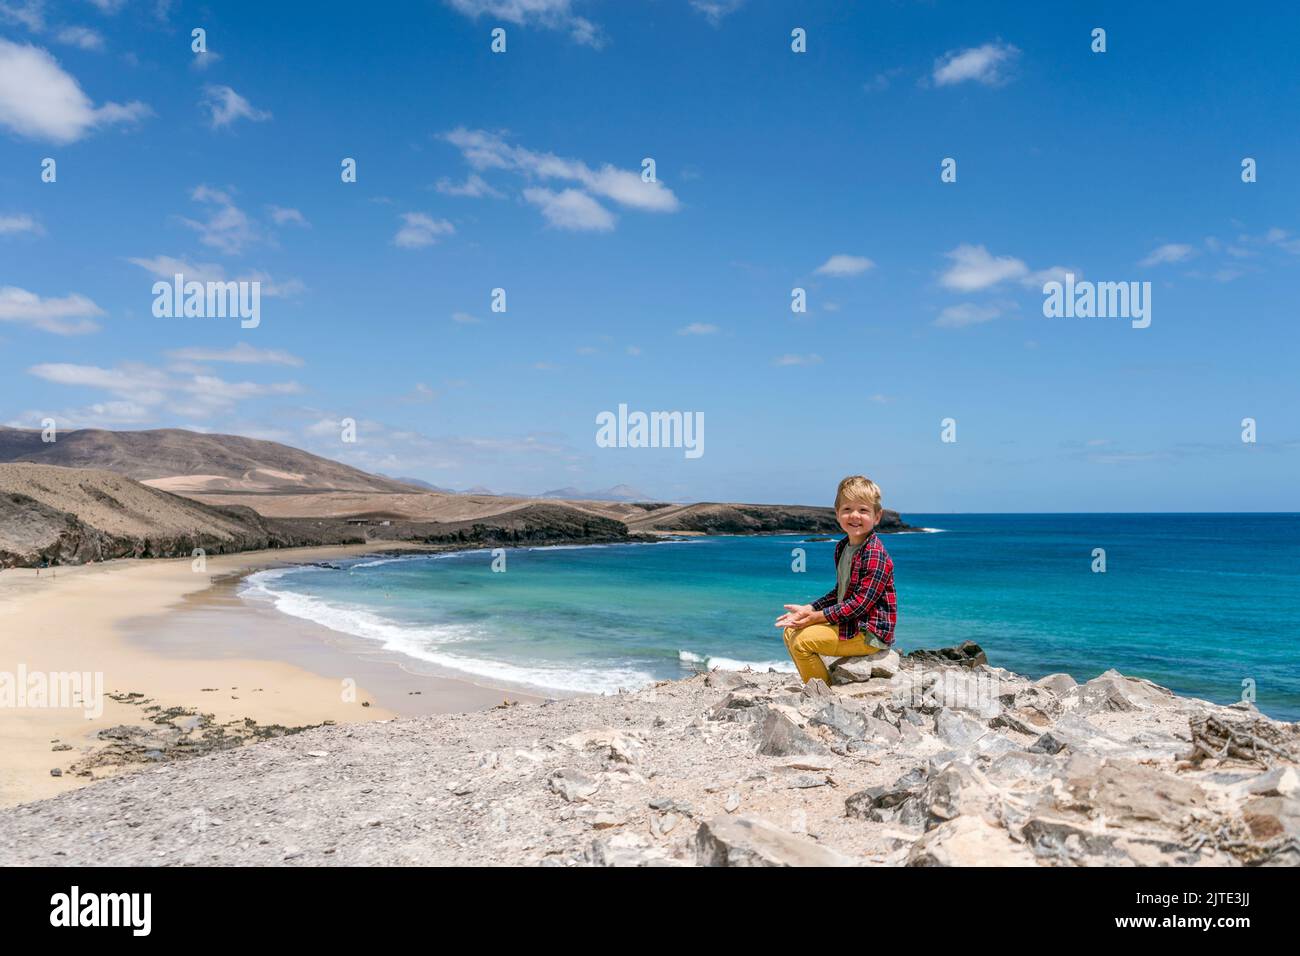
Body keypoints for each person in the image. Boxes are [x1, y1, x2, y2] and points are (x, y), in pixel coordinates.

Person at [777, 475, 897, 684]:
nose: (855, 516)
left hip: (869, 633)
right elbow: (840, 591)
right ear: (837, 514)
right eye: (847, 509)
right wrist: (810, 608)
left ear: (877, 516)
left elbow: (860, 604)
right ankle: (817, 685)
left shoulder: (874, 554)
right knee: (790, 631)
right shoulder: (843, 547)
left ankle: (824, 694)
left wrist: (818, 617)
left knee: (802, 642)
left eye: (863, 510)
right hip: (852, 623)